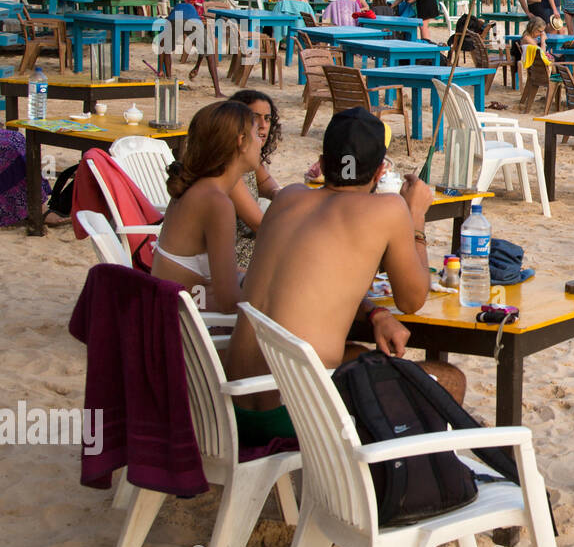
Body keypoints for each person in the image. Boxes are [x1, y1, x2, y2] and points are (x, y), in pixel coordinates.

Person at [225, 109, 467, 447]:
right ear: (382, 171)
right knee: (449, 380)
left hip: (235, 405)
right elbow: (412, 301)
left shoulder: (288, 198)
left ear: (322, 163)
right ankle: (410, 488)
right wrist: (415, 216)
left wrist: (374, 312)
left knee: (355, 352)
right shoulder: (388, 210)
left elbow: (308, 282)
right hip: (293, 414)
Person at [151, 99, 263, 313]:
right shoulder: (216, 203)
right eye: (257, 134)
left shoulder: (197, 185)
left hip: (176, 305)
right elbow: (228, 302)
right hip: (185, 323)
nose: (261, 142)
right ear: (241, 141)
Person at [229, 89, 283, 271]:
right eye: (255, 117)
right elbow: (259, 225)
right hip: (235, 254)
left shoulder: (247, 158)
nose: (263, 125)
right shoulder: (228, 167)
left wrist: (280, 196)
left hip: (252, 243)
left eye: (267, 118)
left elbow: (268, 186)